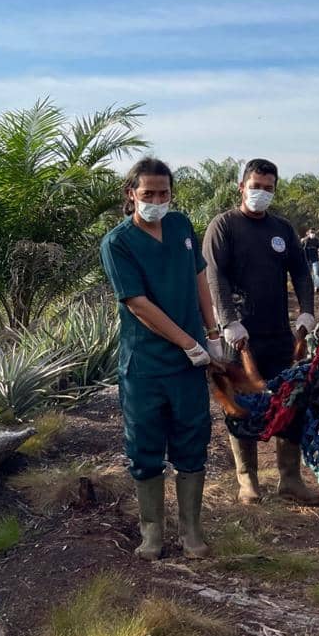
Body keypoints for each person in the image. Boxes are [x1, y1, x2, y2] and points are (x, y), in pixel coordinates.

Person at [99, 158, 223, 562]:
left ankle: (191, 529)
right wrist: (188, 342)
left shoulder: (181, 226)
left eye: (163, 193)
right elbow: (137, 304)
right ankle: (152, 531)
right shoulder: (118, 243)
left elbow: (199, 278)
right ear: (130, 193)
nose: (156, 200)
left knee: (192, 439)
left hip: (190, 365)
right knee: (145, 443)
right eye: (147, 193)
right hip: (146, 365)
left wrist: (212, 331)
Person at [203, 158, 319, 505]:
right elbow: (214, 276)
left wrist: (306, 312)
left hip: (280, 334)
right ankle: (248, 482)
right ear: (242, 187)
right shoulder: (223, 226)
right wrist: (227, 320)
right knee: (240, 406)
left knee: (290, 402)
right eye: (256, 186)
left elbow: (301, 272)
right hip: (238, 338)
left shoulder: (282, 229)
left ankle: (290, 479)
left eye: (268, 188)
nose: (261, 193)